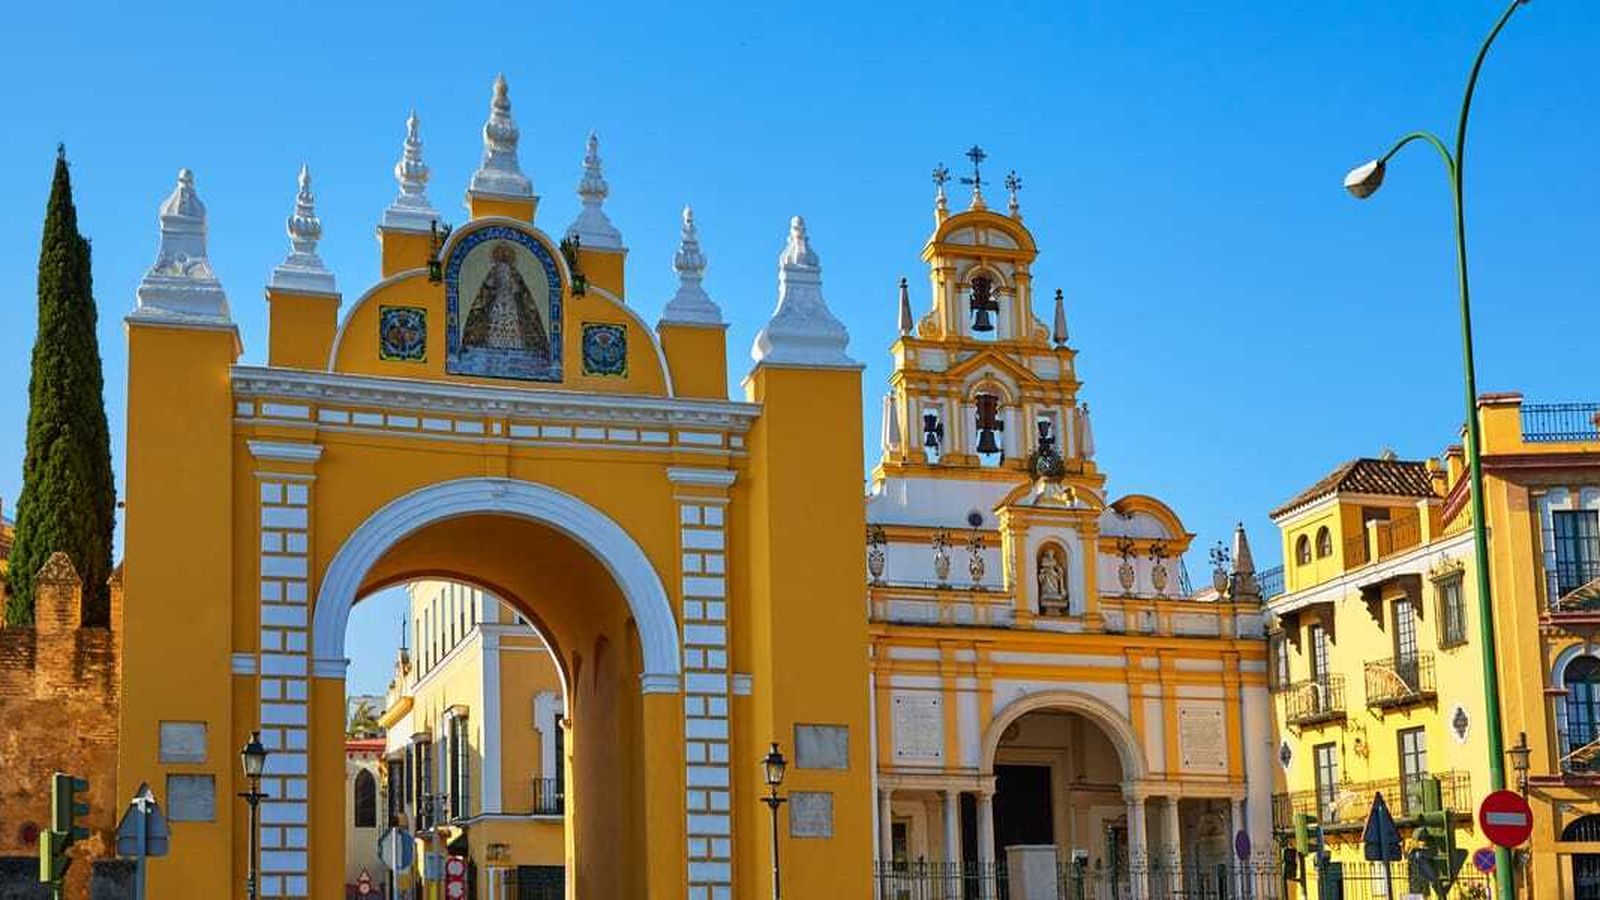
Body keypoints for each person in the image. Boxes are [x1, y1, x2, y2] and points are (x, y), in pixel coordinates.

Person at [461, 241, 550, 361]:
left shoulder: (512, 271)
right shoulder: (496, 270)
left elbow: (520, 288)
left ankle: (513, 348)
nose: (503, 256)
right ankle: (494, 346)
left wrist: (513, 285)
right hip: (499, 298)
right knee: (495, 321)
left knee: (512, 322)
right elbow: (488, 286)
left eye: (505, 253)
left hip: (509, 299)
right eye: (501, 253)